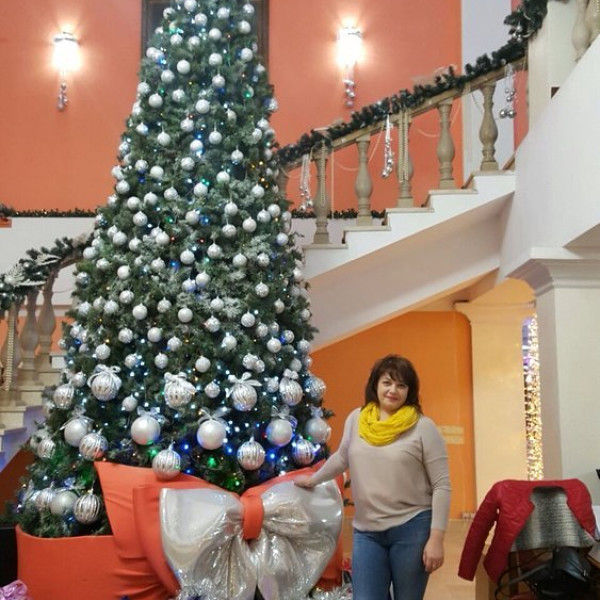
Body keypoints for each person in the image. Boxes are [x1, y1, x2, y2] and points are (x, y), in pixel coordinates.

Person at [295, 354, 451, 600]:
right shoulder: (356, 419)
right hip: (367, 532)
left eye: (401, 385)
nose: (393, 390)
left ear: (409, 391)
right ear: (375, 385)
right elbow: (342, 457)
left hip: (412, 529)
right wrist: (314, 480)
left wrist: (437, 538)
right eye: (387, 382)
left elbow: (442, 485)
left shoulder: (423, 427)